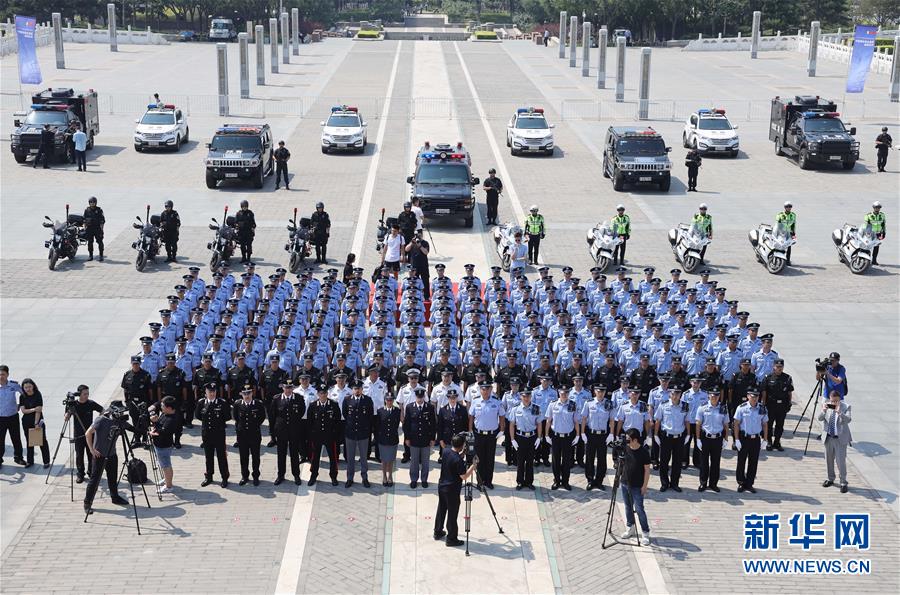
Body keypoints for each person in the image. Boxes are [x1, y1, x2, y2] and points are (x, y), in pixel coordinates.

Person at [83, 404, 129, 514]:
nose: (122, 414)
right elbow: (88, 433)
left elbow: (132, 428)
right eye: (120, 412)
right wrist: (92, 450)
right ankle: (87, 503)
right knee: (94, 480)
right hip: (100, 455)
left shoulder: (119, 421)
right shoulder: (101, 420)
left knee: (113, 478)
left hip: (112, 454)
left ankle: (115, 497)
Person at [433, 433, 477, 547]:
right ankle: (451, 538)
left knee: (441, 509)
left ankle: (437, 531)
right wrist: (474, 465)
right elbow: (464, 476)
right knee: (452, 514)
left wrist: (463, 454)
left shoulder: (446, 451)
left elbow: (454, 458)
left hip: (442, 486)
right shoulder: (458, 460)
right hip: (452, 490)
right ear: (462, 445)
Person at [468, 382, 505, 489]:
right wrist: (470, 430)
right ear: (480, 390)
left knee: (489, 459)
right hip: (478, 434)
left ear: (490, 390)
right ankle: (480, 482)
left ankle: (488, 481)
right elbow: (471, 416)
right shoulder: (475, 401)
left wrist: (502, 430)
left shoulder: (496, 402)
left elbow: (502, 416)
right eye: (483, 389)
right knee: (479, 459)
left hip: (491, 435)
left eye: (487, 389)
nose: (485, 391)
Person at [619, 428, 652, 546]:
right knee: (628, 507)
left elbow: (647, 470)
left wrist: (645, 486)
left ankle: (645, 532)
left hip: (637, 486)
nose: (626, 441)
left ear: (635, 440)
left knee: (639, 509)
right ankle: (630, 527)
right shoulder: (625, 448)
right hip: (624, 483)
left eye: (629, 439)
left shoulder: (643, 452)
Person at [654, 388, 690, 492]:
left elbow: (687, 421)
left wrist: (688, 434)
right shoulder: (663, 405)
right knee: (664, 461)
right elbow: (658, 420)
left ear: (681, 395)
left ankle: (675, 483)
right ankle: (664, 483)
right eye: (674, 394)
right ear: (670, 394)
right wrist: (656, 435)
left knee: (677, 462)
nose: (675, 396)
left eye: (678, 394)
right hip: (666, 437)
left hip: (679, 437)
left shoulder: (685, 406)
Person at [194, 383, 231, 488]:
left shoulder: (222, 403)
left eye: (214, 391)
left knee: (221, 456)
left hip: (219, 434)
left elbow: (227, 417)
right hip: (206, 434)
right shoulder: (201, 402)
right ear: (205, 392)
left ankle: (224, 477)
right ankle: (209, 476)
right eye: (210, 391)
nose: (212, 393)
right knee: (208, 456)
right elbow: (198, 416)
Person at [65, 385, 104, 482]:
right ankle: (80, 474)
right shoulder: (73, 404)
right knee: (79, 455)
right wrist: (68, 411)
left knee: (91, 454)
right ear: (79, 394)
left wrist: (98, 422)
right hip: (78, 434)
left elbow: (103, 410)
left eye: (88, 394)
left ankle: (91, 472)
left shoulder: (91, 403)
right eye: (84, 394)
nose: (86, 396)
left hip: (90, 433)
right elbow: (66, 418)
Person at [733, 389, 768, 493]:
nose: (754, 398)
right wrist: (737, 439)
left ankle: (749, 483)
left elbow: (765, 424)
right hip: (744, 438)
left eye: (756, 396)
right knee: (741, 461)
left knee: (753, 462)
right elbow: (736, 424)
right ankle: (741, 482)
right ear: (748, 396)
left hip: (755, 439)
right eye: (752, 396)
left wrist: (765, 439)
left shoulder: (762, 408)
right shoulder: (741, 408)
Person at [507, 388, 543, 490]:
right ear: (521, 397)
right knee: (520, 461)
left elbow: (539, 423)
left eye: (528, 396)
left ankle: (529, 482)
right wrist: (512, 439)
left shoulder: (536, 408)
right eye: (524, 396)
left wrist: (539, 438)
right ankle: (520, 482)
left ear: (531, 397)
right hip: (520, 437)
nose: (526, 398)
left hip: (532, 437)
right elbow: (511, 425)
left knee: (530, 461)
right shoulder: (515, 409)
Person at [580, 385, 614, 490]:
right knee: (589, 458)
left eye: (603, 391)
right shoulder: (589, 403)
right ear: (595, 391)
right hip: (591, 434)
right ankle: (590, 480)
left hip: (603, 435)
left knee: (602, 459)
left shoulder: (609, 403)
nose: (601, 393)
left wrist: (611, 434)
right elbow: (584, 418)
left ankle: (599, 481)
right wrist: (582, 433)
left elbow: (612, 420)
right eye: (599, 391)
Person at [272, 381, 306, 485]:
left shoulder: (298, 398)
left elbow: (301, 412)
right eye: (286, 388)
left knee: (294, 454)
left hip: (294, 430)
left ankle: (296, 475)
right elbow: (272, 416)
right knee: (281, 454)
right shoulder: (276, 399)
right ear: (283, 388)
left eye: (290, 388)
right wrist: (272, 433)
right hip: (281, 431)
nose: (288, 390)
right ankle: (280, 475)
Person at [307, 384, 341, 486]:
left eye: (325, 393)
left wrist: (335, 434)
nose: (323, 395)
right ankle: (313, 475)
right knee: (315, 457)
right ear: (318, 394)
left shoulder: (333, 405)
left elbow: (337, 420)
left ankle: (333, 476)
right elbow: (310, 422)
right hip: (317, 436)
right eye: (321, 393)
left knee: (333, 457)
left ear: (327, 393)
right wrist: (312, 435)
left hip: (330, 436)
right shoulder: (313, 406)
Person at [545, 386, 579, 490]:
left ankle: (565, 481)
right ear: (558, 393)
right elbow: (548, 421)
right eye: (562, 393)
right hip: (556, 436)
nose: (564, 395)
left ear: (568, 393)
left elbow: (576, 421)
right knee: (555, 460)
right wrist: (546, 435)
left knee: (567, 460)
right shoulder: (553, 404)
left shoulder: (573, 404)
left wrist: (578, 435)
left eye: (566, 393)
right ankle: (556, 480)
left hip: (568, 437)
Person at [342, 380, 374, 488]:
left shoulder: (368, 400)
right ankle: (349, 478)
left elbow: (370, 416)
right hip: (350, 433)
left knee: (363, 457)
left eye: (359, 388)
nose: (357, 390)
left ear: (362, 389)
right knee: (350, 458)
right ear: (352, 389)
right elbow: (345, 414)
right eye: (355, 389)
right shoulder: (347, 400)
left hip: (363, 434)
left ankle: (364, 477)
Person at [819, 390, 852, 493]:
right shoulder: (827, 405)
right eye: (832, 401)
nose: (834, 403)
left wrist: (840, 412)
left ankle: (843, 482)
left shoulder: (846, 406)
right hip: (828, 437)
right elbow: (819, 418)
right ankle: (830, 478)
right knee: (828, 459)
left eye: (836, 401)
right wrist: (823, 411)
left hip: (840, 439)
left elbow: (848, 420)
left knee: (840, 461)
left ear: (839, 399)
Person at [403, 386, 436, 488]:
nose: (420, 399)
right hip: (414, 439)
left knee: (425, 461)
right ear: (415, 396)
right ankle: (413, 479)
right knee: (414, 461)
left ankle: (424, 479)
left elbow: (433, 424)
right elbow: (406, 424)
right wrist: (407, 438)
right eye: (418, 396)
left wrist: (432, 439)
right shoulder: (409, 407)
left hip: (426, 439)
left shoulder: (430, 407)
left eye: (421, 397)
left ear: (424, 396)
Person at [232, 384, 266, 486]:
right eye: (244, 393)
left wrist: (253, 426)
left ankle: (256, 476)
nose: (247, 396)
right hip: (242, 435)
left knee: (255, 457)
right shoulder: (237, 404)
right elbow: (236, 418)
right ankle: (245, 476)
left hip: (254, 434)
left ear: (252, 393)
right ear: (241, 394)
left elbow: (262, 417)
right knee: (243, 457)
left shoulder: (258, 404)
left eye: (249, 393)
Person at [149, 396, 181, 493]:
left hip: (164, 446)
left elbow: (162, 432)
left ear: (170, 408)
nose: (161, 407)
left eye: (163, 406)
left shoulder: (171, 420)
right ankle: (166, 479)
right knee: (163, 464)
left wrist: (152, 431)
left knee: (166, 466)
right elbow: (159, 425)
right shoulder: (165, 414)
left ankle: (169, 486)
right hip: (159, 444)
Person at [761, 358, 793, 452]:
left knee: (780, 425)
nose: (779, 368)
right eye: (777, 367)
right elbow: (764, 391)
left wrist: (789, 403)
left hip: (782, 405)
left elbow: (789, 392)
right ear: (773, 367)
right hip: (771, 405)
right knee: (769, 424)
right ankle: (769, 441)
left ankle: (777, 442)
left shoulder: (787, 378)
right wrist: (763, 404)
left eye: (781, 367)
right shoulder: (768, 377)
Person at [17, 378, 49, 468]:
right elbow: (23, 411)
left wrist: (36, 423)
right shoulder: (22, 396)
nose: (28, 389)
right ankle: (30, 461)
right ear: (23, 388)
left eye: (30, 387)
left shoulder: (37, 394)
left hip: (37, 421)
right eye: (26, 387)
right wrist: (34, 409)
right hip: (26, 421)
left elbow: (39, 411)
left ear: (33, 386)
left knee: (42, 441)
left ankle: (46, 461)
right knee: (29, 441)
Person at [0, 365, 26, 468]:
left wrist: (20, 405)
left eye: (3, 374)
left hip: (13, 416)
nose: (1, 376)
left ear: (7, 375)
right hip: (1, 418)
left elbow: (23, 394)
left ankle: (18, 457)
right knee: (0, 439)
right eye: (0, 374)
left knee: (16, 438)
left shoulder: (13, 385)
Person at [376, 394, 402, 486]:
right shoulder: (380, 411)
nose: (389, 402)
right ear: (385, 401)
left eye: (391, 400)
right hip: (383, 439)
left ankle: (390, 476)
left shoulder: (397, 411)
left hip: (392, 438)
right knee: (383, 459)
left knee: (391, 459)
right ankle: (384, 476)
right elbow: (377, 426)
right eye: (387, 400)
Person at [405, 230, 431, 299]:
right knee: (414, 280)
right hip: (414, 265)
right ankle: (415, 295)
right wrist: (411, 243)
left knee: (425, 280)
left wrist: (420, 246)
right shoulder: (412, 242)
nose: (418, 237)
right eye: (416, 235)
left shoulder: (425, 243)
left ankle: (426, 296)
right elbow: (406, 249)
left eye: (419, 235)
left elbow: (426, 252)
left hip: (423, 264)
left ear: (421, 235)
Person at [83, 196, 105, 262]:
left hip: (97, 228)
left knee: (100, 242)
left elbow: (102, 220)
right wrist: (85, 227)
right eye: (91, 202)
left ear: (96, 203)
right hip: (89, 229)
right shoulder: (87, 210)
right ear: (89, 203)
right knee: (90, 242)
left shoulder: (99, 210)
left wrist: (102, 229)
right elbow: (84, 219)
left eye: (93, 202)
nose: (92, 203)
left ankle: (101, 255)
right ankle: (90, 255)